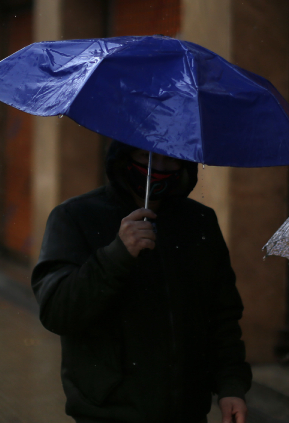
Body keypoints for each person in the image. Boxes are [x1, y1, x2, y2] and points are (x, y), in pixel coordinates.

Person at [32, 141, 251, 423]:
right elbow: (57, 311)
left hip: (187, 412)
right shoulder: (75, 217)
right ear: (122, 157)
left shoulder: (199, 222)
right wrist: (117, 254)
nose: (157, 168)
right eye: (145, 155)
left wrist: (230, 387)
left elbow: (222, 317)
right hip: (108, 412)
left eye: (169, 158)